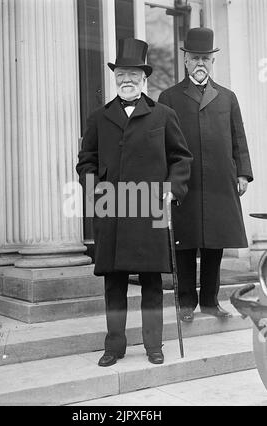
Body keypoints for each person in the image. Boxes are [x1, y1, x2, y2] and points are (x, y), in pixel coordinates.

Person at [76, 38, 192, 367]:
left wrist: (172, 189)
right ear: (115, 79)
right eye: (121, 75)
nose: (126, 80)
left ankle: (153, 345)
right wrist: (94, 195)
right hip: (112, 207)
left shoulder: (163, 115)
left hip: (151, 207)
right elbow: (86, 162)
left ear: (145, 79)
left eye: (133, 75)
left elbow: (181, 159)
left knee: (152, 282)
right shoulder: (99, 118)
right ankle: (114, 346)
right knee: (114, 283)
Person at [158, 27, 253, 322]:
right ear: (185, 61)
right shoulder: (169, 96)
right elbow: (161, 141)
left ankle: (211, 302)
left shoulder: (228, 97)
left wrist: (243, 174)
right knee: (184, 242)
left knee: (215, 242)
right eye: (195, 58)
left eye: (205, 58)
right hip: (184, 181)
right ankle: (186, 302)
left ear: (212, 62)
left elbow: (239, 138)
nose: (200, 63)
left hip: (219, 180)